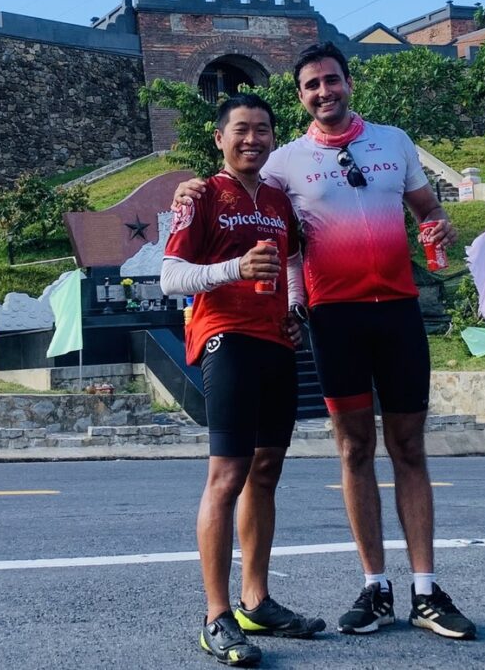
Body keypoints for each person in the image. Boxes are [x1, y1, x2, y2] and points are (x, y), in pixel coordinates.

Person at [175, 42, 476, 641]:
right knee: (353, 449)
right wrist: (189, 187)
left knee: (410, 447)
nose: (323, 92)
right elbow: (252, 200)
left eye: (331, 81)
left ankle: (425, 588)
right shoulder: (285, 162)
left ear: (348, 83)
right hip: (333, 319)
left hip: (397, 312)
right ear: (300, 97)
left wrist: (441, 226)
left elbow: (428, 212)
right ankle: (375, 587)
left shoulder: (395, 142)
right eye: (311, 86)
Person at [161, 93, 325, 667]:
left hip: (275, 342)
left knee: (267, 471)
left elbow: (296, 261)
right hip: (224, 336)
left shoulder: (280, 201)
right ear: (219, 138)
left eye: (261, 130)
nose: (251, 139)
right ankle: (216, 615)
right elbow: (170, 277)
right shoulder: (201, 195)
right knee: (226, 474)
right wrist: (234, 269)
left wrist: (296, 309)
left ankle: (256, 601)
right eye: (240, 130)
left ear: (272, 138)